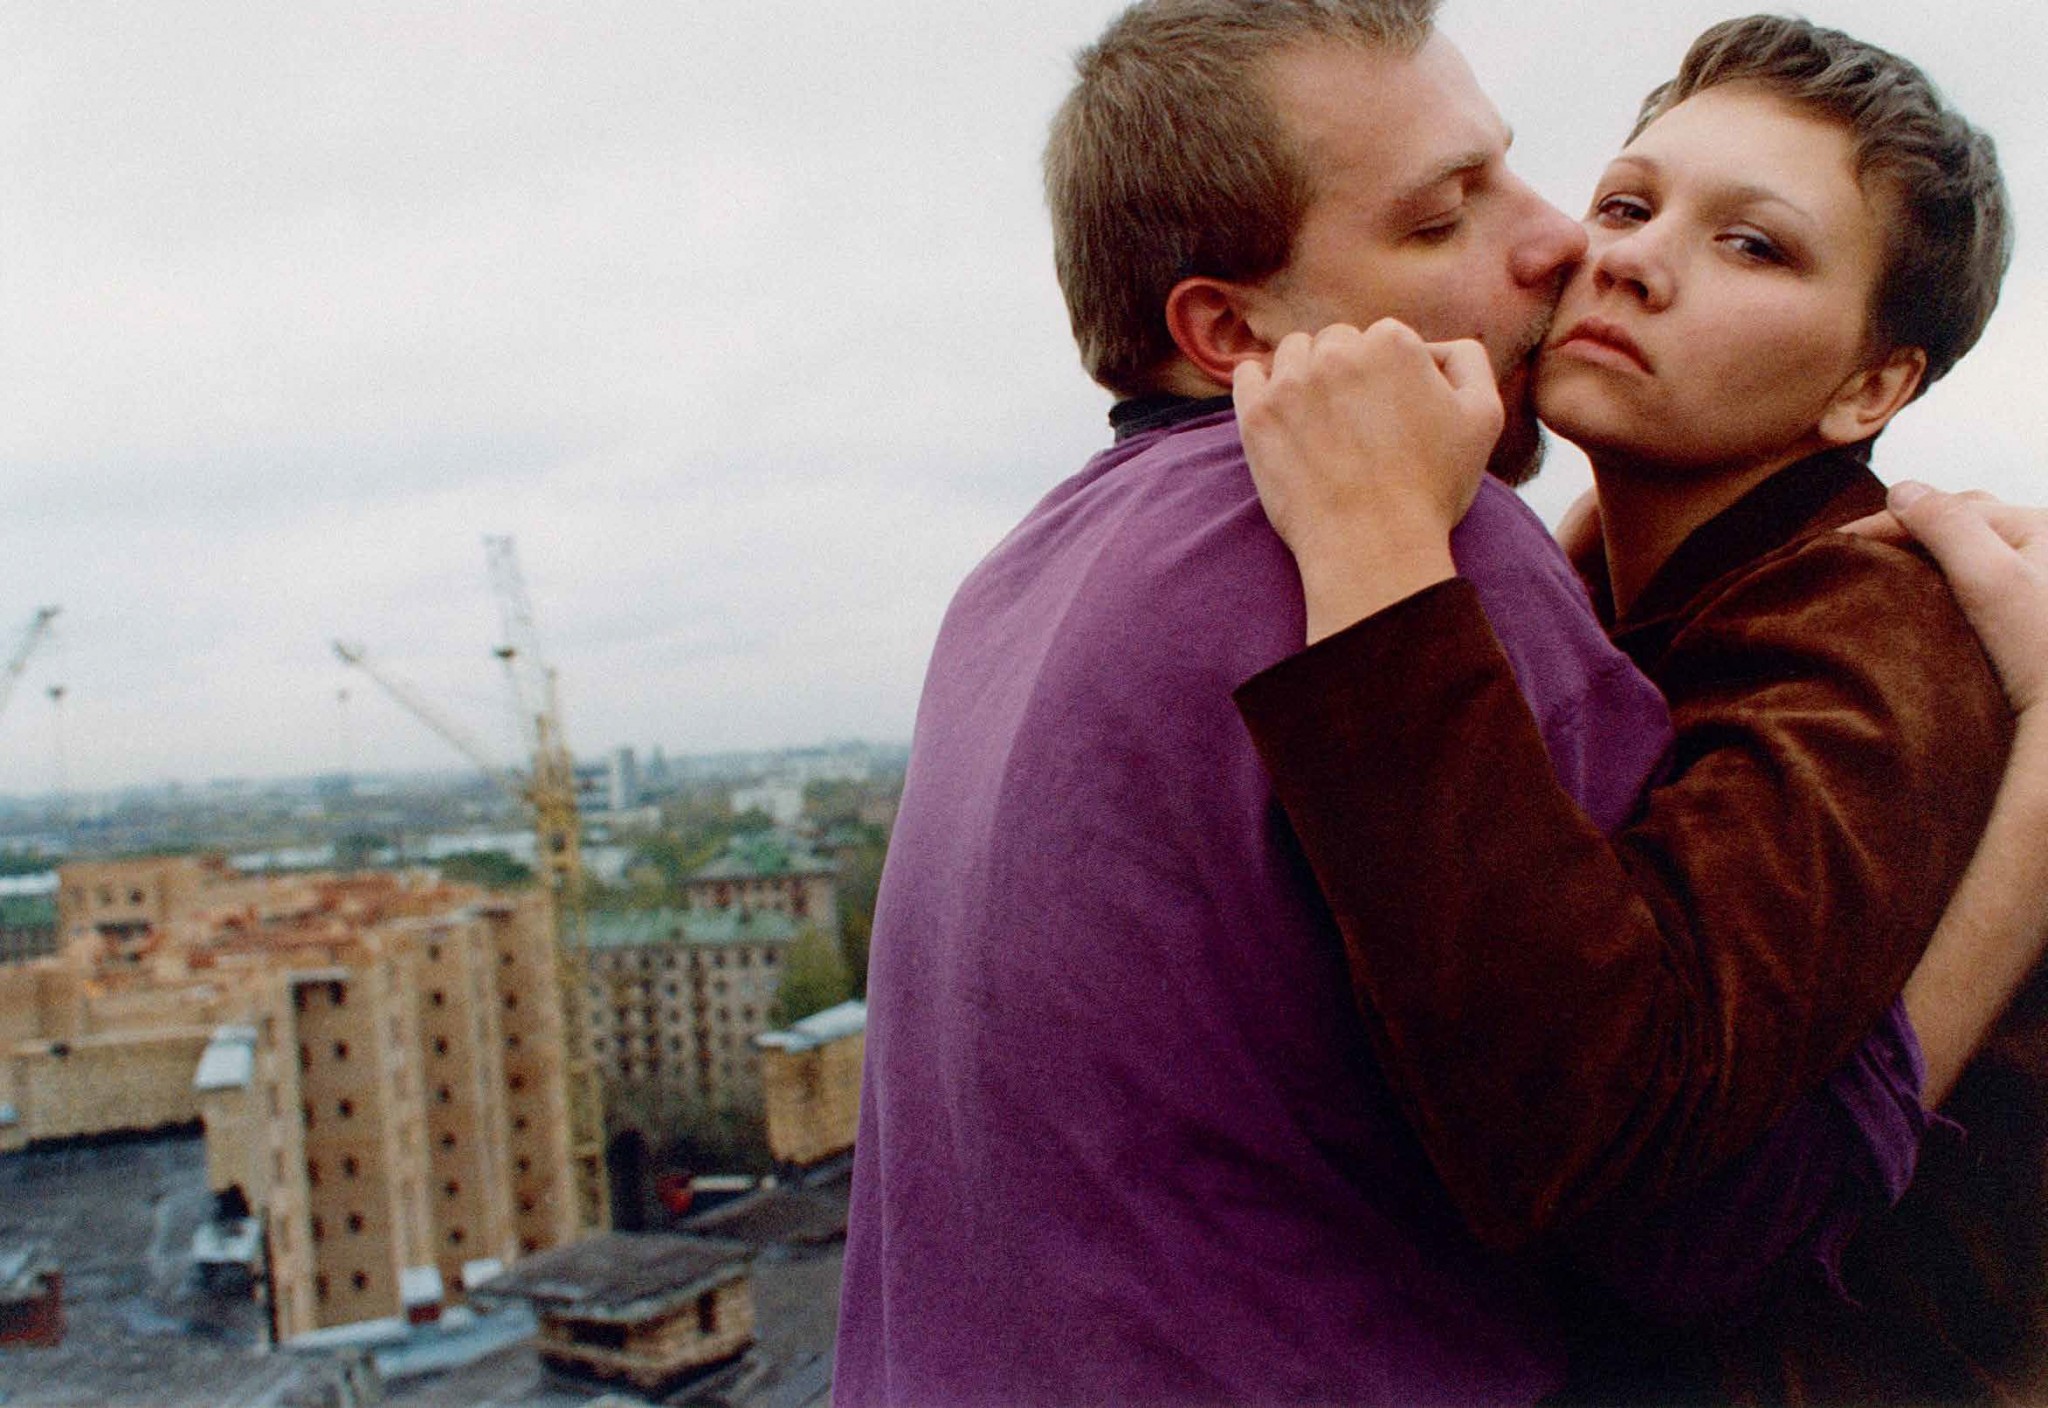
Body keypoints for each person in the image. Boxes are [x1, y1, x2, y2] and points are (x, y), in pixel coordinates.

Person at [1226, 15, 2046, 1401]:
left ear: (1872, 387)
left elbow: (1592, 1129)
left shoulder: (1879, 619)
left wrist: (1377, 554)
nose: (1632, 261)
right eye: (1625, 204)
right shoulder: (1618, 597)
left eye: (1754, 245)